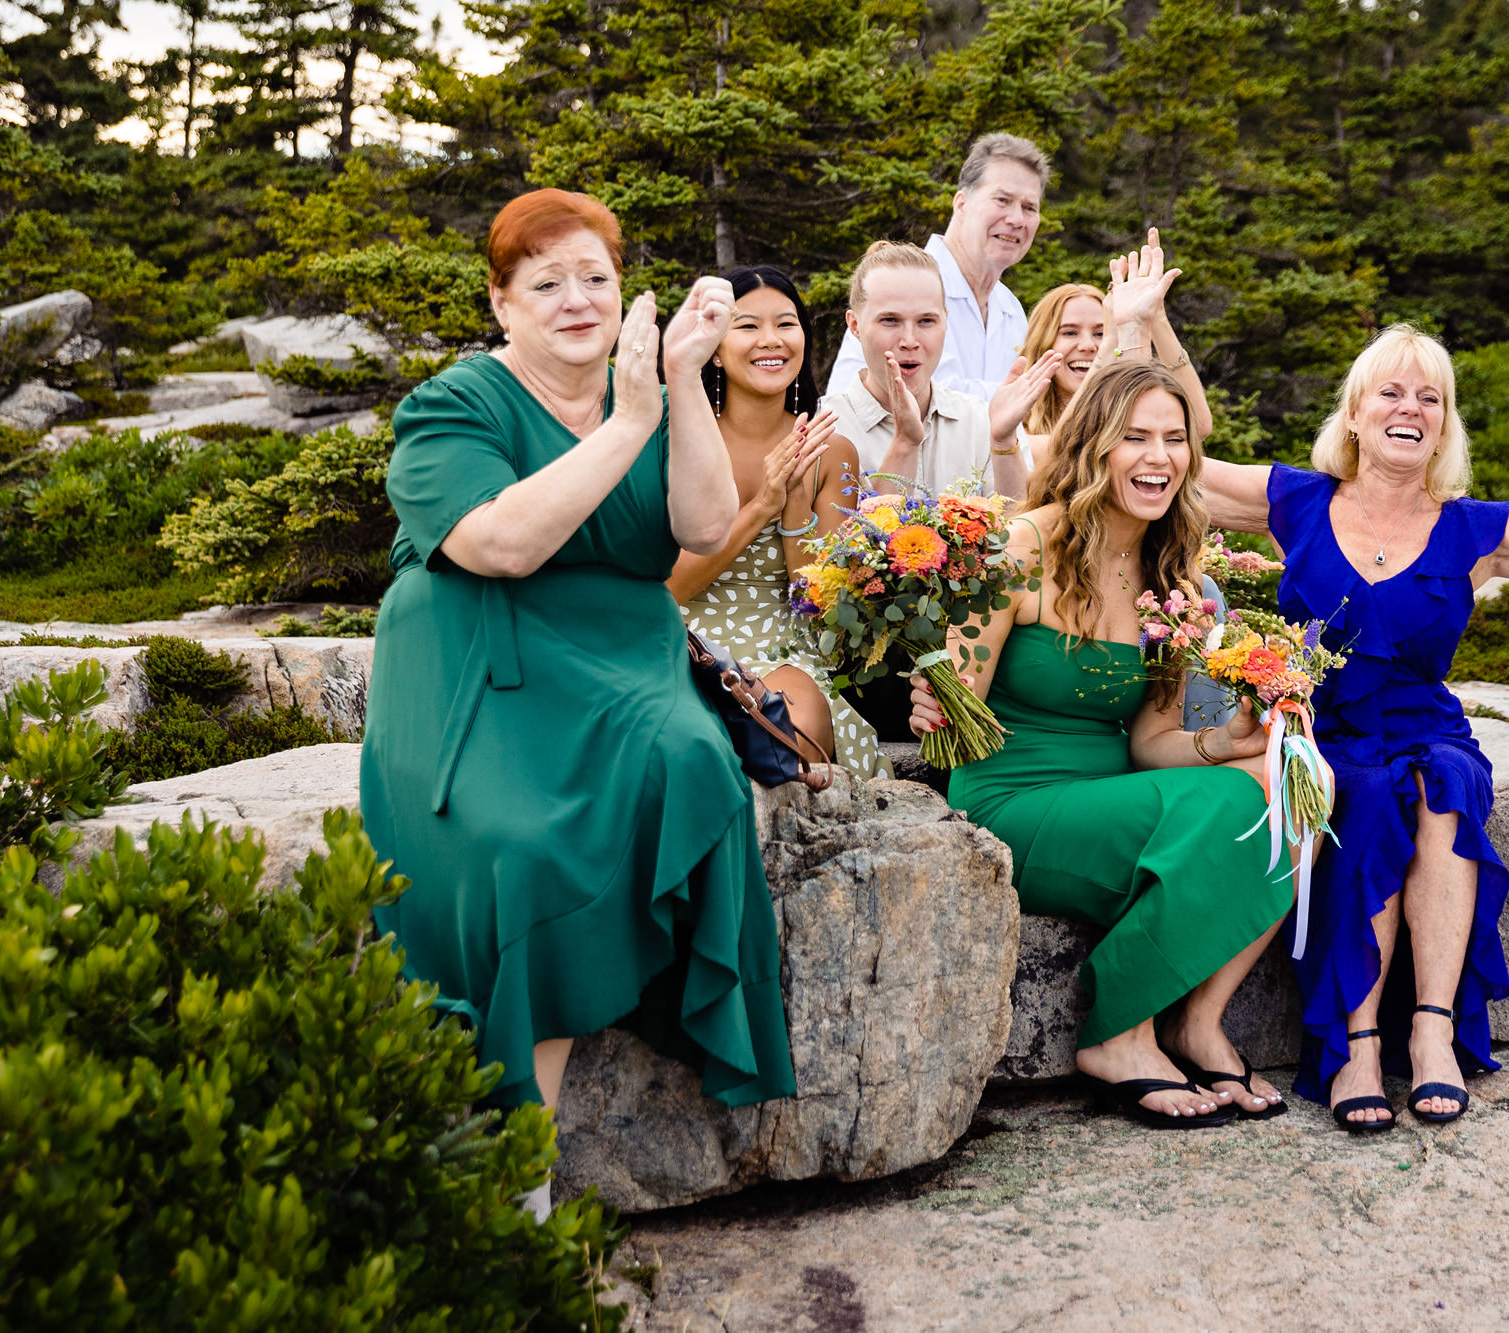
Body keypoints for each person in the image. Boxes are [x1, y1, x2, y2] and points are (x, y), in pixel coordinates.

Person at [359, 190, 797, 1215]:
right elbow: (498, 544)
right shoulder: (453, 406)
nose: (575, 299)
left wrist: (678, 389)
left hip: (618, 658)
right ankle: (517, 1164)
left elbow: (698, 523)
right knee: (518, 849)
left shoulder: (648, 387)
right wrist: (630, 417)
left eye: (594, 277)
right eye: (545, 282)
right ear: (501, 304)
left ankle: (649, 998)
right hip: (477, 654)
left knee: (694, 768)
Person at [1202, 322, 1509, 1132]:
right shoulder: (1296, 499)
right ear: (1354, 414)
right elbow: (1165, 467)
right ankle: (1358, 1042)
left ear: (1445, 423)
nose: (1411, 407)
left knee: (1442, 783)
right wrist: (1130, 336)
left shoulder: (1475, 529)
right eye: (1392, 391)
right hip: (1320, 728)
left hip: (1424, 722)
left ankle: (1432, 1030)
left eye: (1430, 397)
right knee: (1358, 794)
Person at [909, 359, 1300, 1128]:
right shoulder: (1021, 546)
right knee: (1229, 805)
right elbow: (956, 724)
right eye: (1136, 438)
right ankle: (1118, 1032)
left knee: (1286, 791)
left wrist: (1231, 740)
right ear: (1094, 445)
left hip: (1120, 792)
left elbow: (1153, 739)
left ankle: (1199, 1022)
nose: (1159, 457)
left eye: (1175, 439)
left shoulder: (1177, 578)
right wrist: (933, 701)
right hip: (1012, 798)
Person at [668, 265, 887, 778]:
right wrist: (763, 504)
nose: (771, 340)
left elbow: (820, 606)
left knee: (792, 736)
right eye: (747, 326)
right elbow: (671, 584)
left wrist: (795, 507)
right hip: (681, 633)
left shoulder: (833, 451)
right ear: (715, 346)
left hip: (781, 640)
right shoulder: (675, 437)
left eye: (786, 324)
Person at [822, 240, 1059, 502]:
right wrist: (904, 443)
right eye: (890, 320)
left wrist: (1003, 443)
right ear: (854, 325)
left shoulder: (980, 420)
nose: (909, 340)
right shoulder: (825, 427)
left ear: (946, 320)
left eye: (926, 321)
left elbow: (1017, 530)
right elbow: (839, 541)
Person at [826, 134, 1048, 399]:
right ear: (961, 204)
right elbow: (927, 400)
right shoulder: (901, 284)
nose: (1016, 219)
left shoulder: (1010, 309)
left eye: (1029, 208)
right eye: (1002, 200)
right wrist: (1032, 393)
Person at [1016, 281, 1104, 471]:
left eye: (1101, 334)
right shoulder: (1013, 428)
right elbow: (1072, 451)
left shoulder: (1135, 423)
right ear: (1042, 345)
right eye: (1070, 332)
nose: (1088, 345)